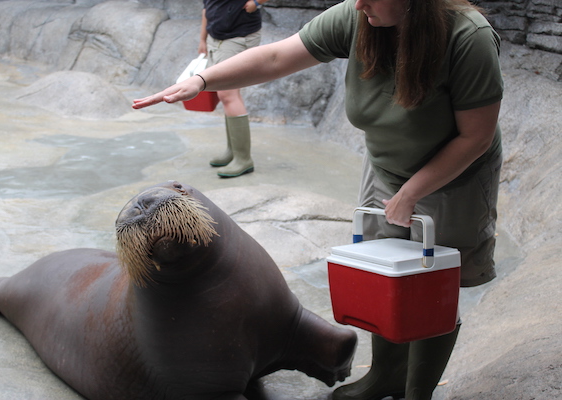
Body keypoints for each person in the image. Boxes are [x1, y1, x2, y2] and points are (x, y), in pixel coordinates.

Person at [133, 0, 503, 398]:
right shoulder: (358, 17)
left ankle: (418, 393)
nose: (358, 3)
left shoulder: (468, 36)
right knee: (384, 272)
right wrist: (204, 80)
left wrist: (411, 193)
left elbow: (476, 136)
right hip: (385, 169)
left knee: (433, 286)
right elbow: (276, 56)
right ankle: (386, 376)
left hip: (452, 179)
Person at [199, 0, 268, 178]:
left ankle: (243, 158)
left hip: (238, 36)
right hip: (217, 37)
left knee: (227, 94)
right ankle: (233, 151)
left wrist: (256, 2)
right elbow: (207, 7)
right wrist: (203, 38)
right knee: (225, 94)